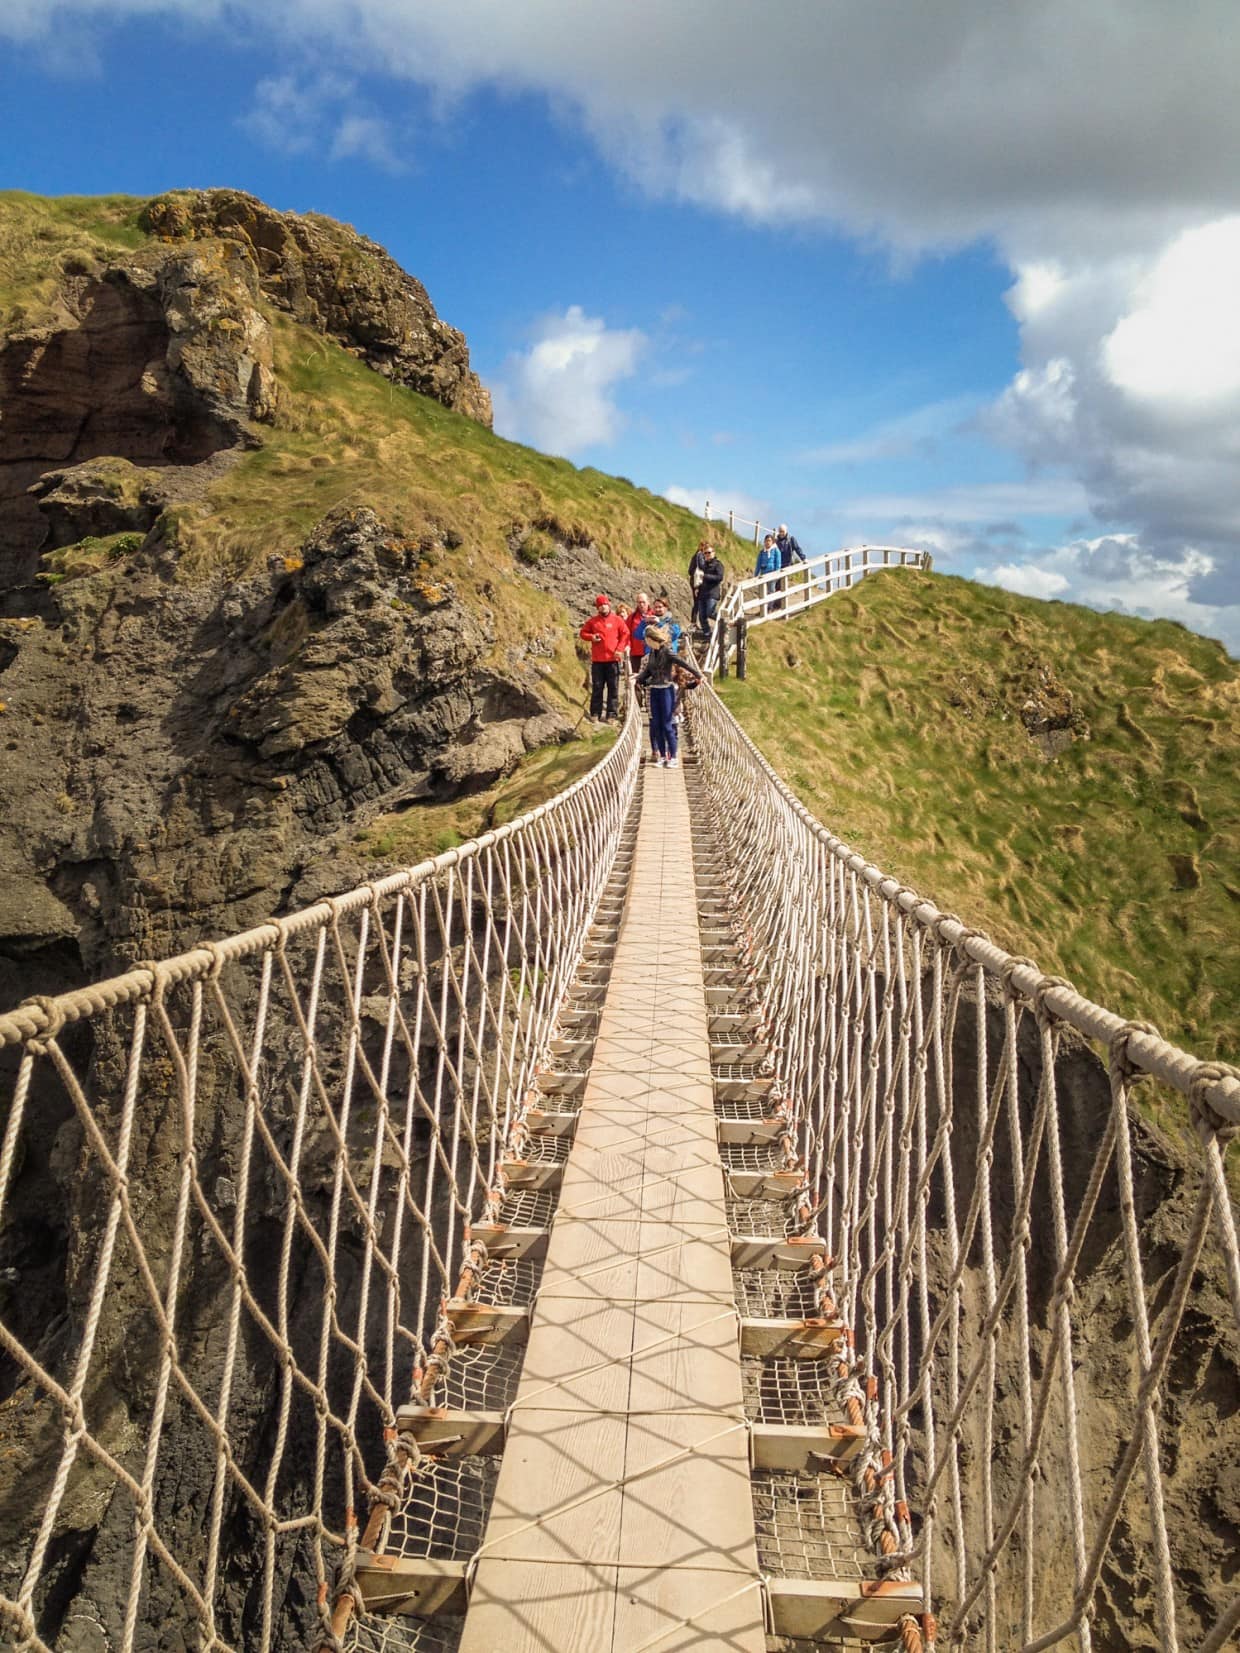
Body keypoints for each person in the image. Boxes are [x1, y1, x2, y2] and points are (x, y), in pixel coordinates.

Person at [635, 625, 703, 768]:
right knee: (657, 725)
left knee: (667, 725)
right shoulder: (652, 654)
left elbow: (683, 663)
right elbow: (647, 672)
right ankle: (662, 756)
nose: (645, 642)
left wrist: (698, 675)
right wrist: (636, 679)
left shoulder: (667, 652)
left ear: (652, 639)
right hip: (654, 691)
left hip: (666, 690)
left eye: (646, 639)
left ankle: (673, 757)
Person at [578, 594, 628, 722]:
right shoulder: (593, 621)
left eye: (604, 604)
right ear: (597, 608)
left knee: (613, 688)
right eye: (600, 606)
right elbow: (583, 633)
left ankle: (611, 714)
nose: (603, 607)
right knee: (597, 687)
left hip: (613, 659)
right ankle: (595, 713)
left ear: (608, 605)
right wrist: (592, 637)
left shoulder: (617, 620)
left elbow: (625, 634)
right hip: (598, 661)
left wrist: (620, 649)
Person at [697, 547, 725, 637]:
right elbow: (699, 578)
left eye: (709, 552)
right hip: (702, 593)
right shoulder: (703, 565)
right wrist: (697, 588)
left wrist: (706, 576)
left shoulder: (718, 564)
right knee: (701, 615)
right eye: (705, 553)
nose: (707, 555)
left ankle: (724, 622)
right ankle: (707, 633)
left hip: (712, 593)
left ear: (714, 553)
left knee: (710, 612)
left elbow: (719, 577)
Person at [755, 532, 780, 618]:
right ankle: (763, 609)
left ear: (772, 542)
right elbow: (758, 564)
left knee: (771, 591)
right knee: (763, 592)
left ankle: (770, 607)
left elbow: (778, 563)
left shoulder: (776, 551)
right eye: (766, 541)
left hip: (772, 574)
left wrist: (776, 573)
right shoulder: (762, 552)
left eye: (769, 541)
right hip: (763, 574)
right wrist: (756, 575)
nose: (767, 542)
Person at [687, 540, 711, 632]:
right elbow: (702, 567)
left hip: (694, 581)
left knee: (696, 602)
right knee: (700, 602)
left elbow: (689, 571)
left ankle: (694, 623)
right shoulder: (700, 555)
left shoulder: (695, 556)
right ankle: (699, 624)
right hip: (699, 582)